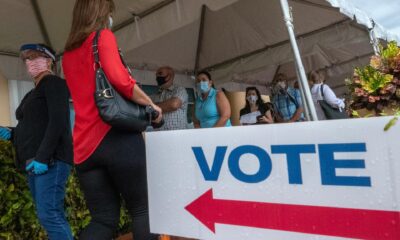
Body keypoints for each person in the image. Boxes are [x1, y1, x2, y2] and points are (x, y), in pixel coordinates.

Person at [62, 0, 162, 239]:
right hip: (116, 138)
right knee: (143, 210)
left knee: (103, 220)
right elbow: (121, 81)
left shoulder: (66, 55)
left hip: (85, 148)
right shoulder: (102, 37)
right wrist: (152, 106)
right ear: (101, 12)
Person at [0, 43, 73, 240]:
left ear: (49, 60)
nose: (30, 62)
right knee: (47, 215)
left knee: (50, 215)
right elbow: (35, 126)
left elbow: (58, 121)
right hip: (36, 162)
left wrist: (42, 157)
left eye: (35, 57)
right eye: (27, 59)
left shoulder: (54, 84)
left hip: (50, 160)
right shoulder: (32, 93)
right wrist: (13, 133)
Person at [151, 66, 188, 131]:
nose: (157, 77)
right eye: (156, 75)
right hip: (159, 135)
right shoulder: (156, 94)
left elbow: (173, 105)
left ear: (169, 76)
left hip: (177, 136)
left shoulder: (179, 90)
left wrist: (154, 107)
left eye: (160, 73)